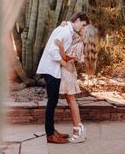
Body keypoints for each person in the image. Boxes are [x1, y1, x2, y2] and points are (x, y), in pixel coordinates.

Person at [37, 12, 90, 144]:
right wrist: (65, 64)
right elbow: (52, 51)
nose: (82, 28)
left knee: (53, 102)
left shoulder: (65, 29)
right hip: (52, 70)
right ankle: (50, 135)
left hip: (51, 69)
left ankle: (52, 131)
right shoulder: (66, 31)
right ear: (77, 20)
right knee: (51, 103)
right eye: (83, 25)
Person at [55, 24, 99, 143]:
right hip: (69, 72)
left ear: (87, 34)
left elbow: (64, 58)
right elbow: (71, 31)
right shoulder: (79, 41)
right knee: (71, 101)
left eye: (84, 28)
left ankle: (77, 131)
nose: (81, 28)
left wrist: (60, 47)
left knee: (71, 101)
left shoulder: (80, 46)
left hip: (67, 73)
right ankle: (79, 129)